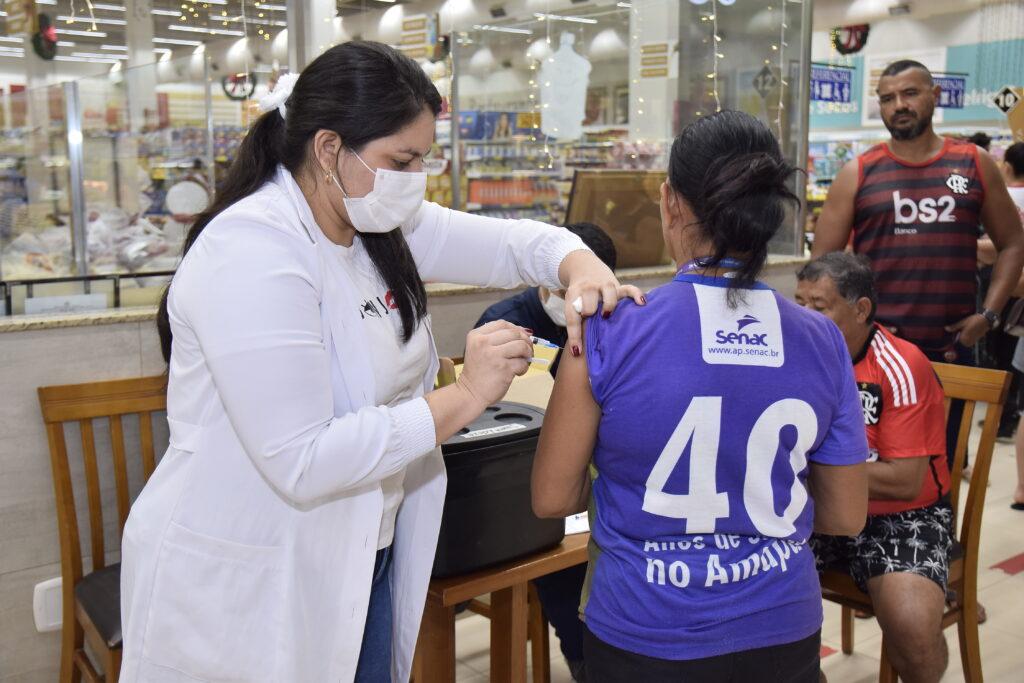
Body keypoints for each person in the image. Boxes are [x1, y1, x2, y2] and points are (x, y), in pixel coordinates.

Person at [120, 42, 642, 683]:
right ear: (329, 147)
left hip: (362, 550)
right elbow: (304, 460)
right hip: (252, 573)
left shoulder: (372, 221)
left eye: (423, 158)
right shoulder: (253, 250)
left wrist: (576, 261)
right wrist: (469, 393)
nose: (415, 178)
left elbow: (511, 243)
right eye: (403, 160)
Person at [531, 110, 868, 682]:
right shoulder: (824, 340)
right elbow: (844, 514)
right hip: (782, 628)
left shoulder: (607, 330)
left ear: (670, 203)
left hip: (643, 630)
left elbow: (552, 498)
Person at [812, 59, 1024, 474]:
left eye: (909, 93)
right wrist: (855, 326)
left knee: (941, 470)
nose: (899, 105)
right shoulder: (859, 171)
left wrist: (989, 315)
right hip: (874, 354)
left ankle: (939, 540)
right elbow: (823, 267)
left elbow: (1013, 243)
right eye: (887, 98)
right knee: (870, 470)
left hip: (951, 350)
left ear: (935, 96)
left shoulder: (973, 163)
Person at [796, 253, 952, 683]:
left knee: (912, 631)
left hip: (901, 516)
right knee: (749, 592)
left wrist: (813, 470)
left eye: (819, 305)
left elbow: (904, 481)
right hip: (813, 509)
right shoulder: (797, 355)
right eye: (799, 302)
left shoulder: (901, 364)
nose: (805, 316)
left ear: (861, 309)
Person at [473, 221, 617, 680]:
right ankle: (584, 661)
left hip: (595, 477)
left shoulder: (613, 318)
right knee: (560, 571)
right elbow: (486, 420)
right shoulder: (503, 324)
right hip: (523, 480)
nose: (578, 302)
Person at [476, 221, 619, 376]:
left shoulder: (612, 320)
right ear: (547, 276)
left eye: (594, 297)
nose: (580, 306)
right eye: (567, 295)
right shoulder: (502, 323)